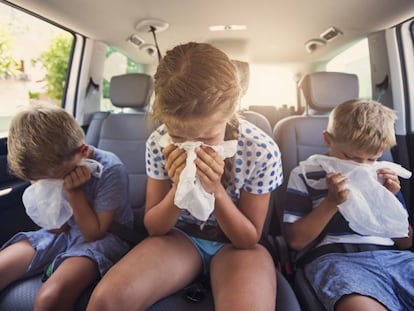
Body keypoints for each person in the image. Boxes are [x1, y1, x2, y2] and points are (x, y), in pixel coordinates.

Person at [86, 42, 283, 311]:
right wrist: (179, 188)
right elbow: (155, 227)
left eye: (206, 137)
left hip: (236, 247)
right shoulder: (159, 142)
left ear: (231, 111)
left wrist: (216, 190)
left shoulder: (261, 150)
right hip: (180, 238)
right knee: (105, 302)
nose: (193, 147)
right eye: (178, 136)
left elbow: (248, 239)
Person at [283, 99, 414, 311]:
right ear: (328, 140)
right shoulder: (306, 174)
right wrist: (331, 202)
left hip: (394, 258)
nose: (361, 166)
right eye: (351, 157)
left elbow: (405, 243)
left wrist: (388, 200)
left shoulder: (383, 175)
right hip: (337, 260)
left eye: (372, 159)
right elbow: (296, 241)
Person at [1, 103, 133, 311]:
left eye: (58, 178)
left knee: (49, 298)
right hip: (63, 232)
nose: (52, 184)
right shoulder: (44, 168)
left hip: (105, 237)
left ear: (83, 151)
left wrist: (74, 192)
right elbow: (56, 227)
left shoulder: (109, 169)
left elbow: (93, 234)